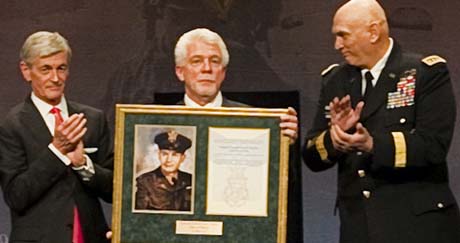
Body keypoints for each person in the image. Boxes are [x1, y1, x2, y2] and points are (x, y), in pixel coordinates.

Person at [302, 1, 460, 243]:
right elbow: (312, 155)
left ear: (373, 32)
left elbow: (433, 147)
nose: (337, 45)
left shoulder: (425, 73)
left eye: (343, 35)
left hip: (417, 225)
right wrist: (335, 138)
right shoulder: (335, 80)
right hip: (359, 226)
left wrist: (373, 145)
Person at [173, 28, 303, 242]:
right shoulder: (159, 123)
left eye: (214, 61)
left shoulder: (255, 123)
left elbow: (279, 191)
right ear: (180, 71)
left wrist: (285, 147)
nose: (207, 68)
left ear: (223, 72)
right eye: (196, 61)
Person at [0, 31, 113, 242]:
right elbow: (16, 196)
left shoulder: (92, 119)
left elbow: (115, 189)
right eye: (46, 69)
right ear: (26, 71)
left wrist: (83, 165)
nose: (55, 78)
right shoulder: (12, 125)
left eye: (61, 68)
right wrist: (57, 151)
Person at [135, 130, 192, 211]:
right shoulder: (145, 181)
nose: (169, 160)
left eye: (175, 155)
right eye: (164, 154)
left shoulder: (190, 180)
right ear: (159, 155)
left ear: (182, 158)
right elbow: (138, 216)